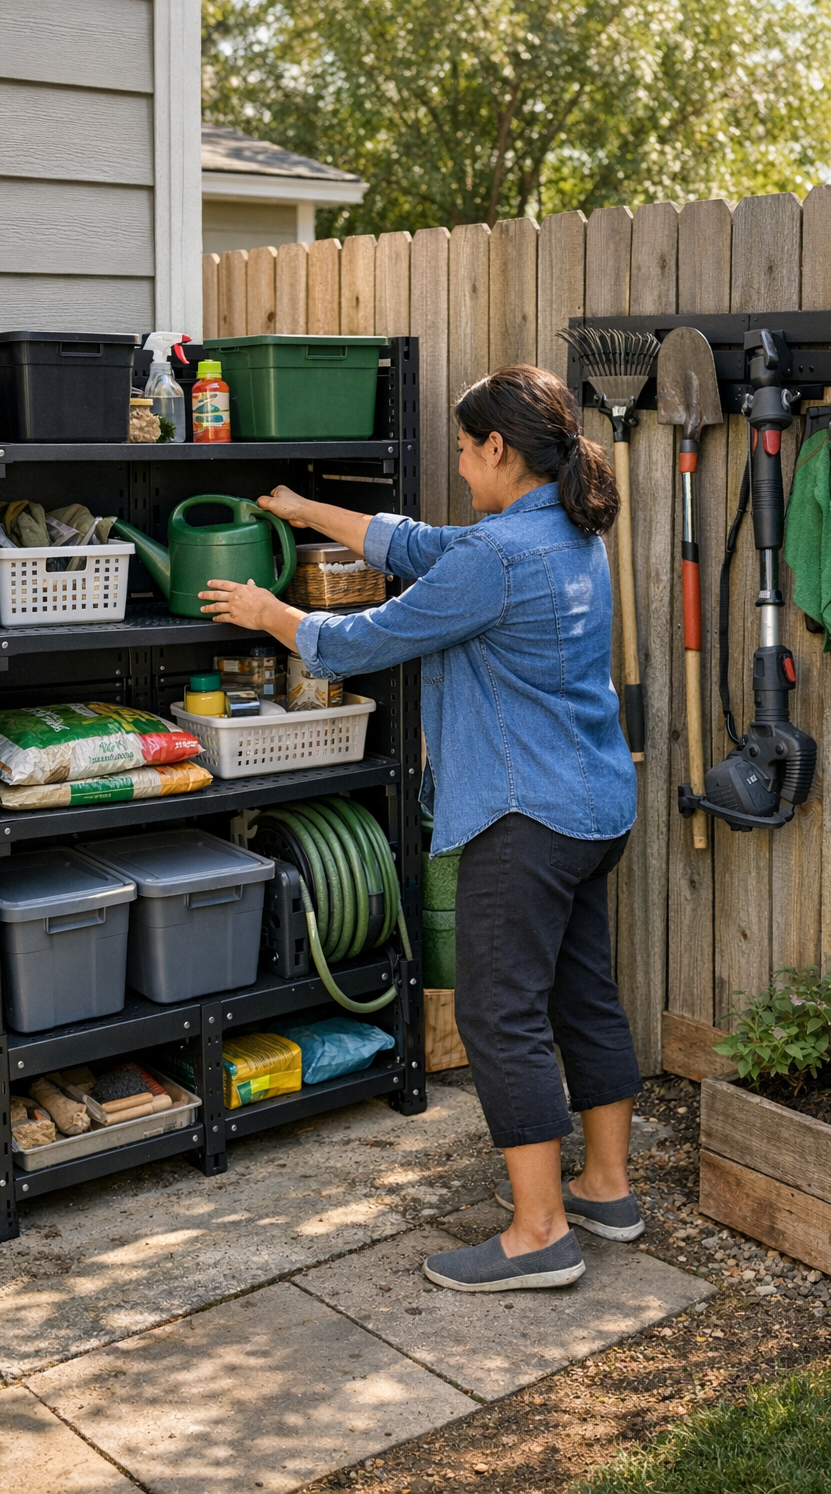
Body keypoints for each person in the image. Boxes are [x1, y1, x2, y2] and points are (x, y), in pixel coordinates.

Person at [198, 364, 643, 1293]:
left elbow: (367, 639)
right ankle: (606, 1189)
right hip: (594, 807)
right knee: (583, 994)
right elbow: (425, 545)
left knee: (497, 1012)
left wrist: (270, 613)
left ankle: (539, 1234)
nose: (457, 461)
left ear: (499, 450)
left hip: (523, 817)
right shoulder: (566, 528)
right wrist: (310, 510)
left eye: (463, 447)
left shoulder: (500, 556)